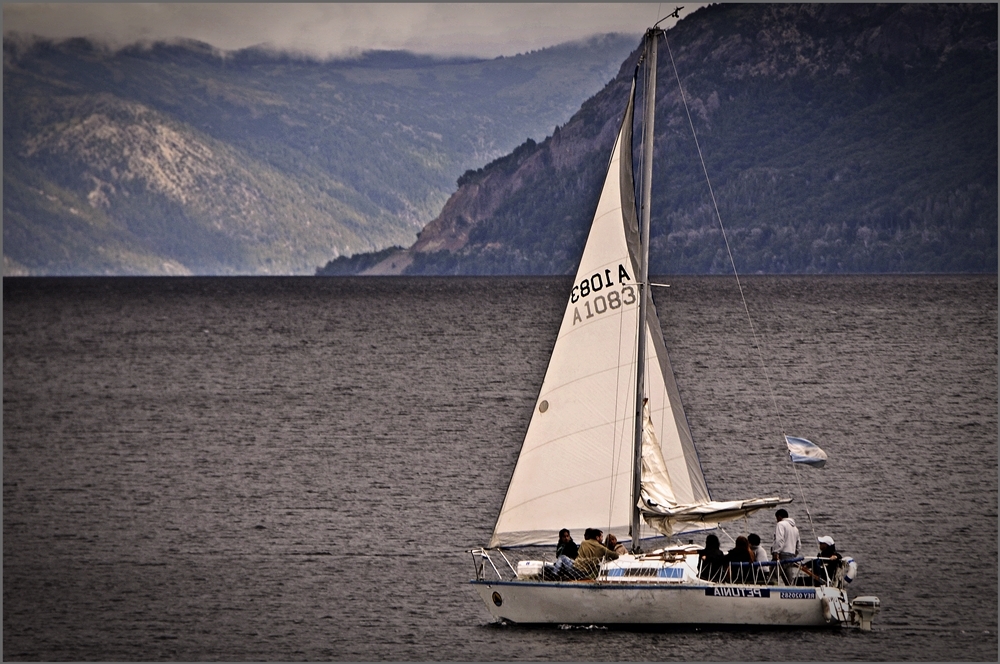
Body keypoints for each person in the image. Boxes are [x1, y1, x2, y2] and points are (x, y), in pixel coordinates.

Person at [771, 508, 801, 584]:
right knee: (789, 581)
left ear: (779, 517)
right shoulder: (795, 528)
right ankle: (792, 593)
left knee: (773, 578)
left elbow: (779, 540)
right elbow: (799, 545)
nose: (776, 520)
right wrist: (794, 555)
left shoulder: (780, 524)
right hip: (791, 556)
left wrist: (776, 552)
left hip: (781, 556)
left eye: (776, 518)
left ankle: (772, 594)